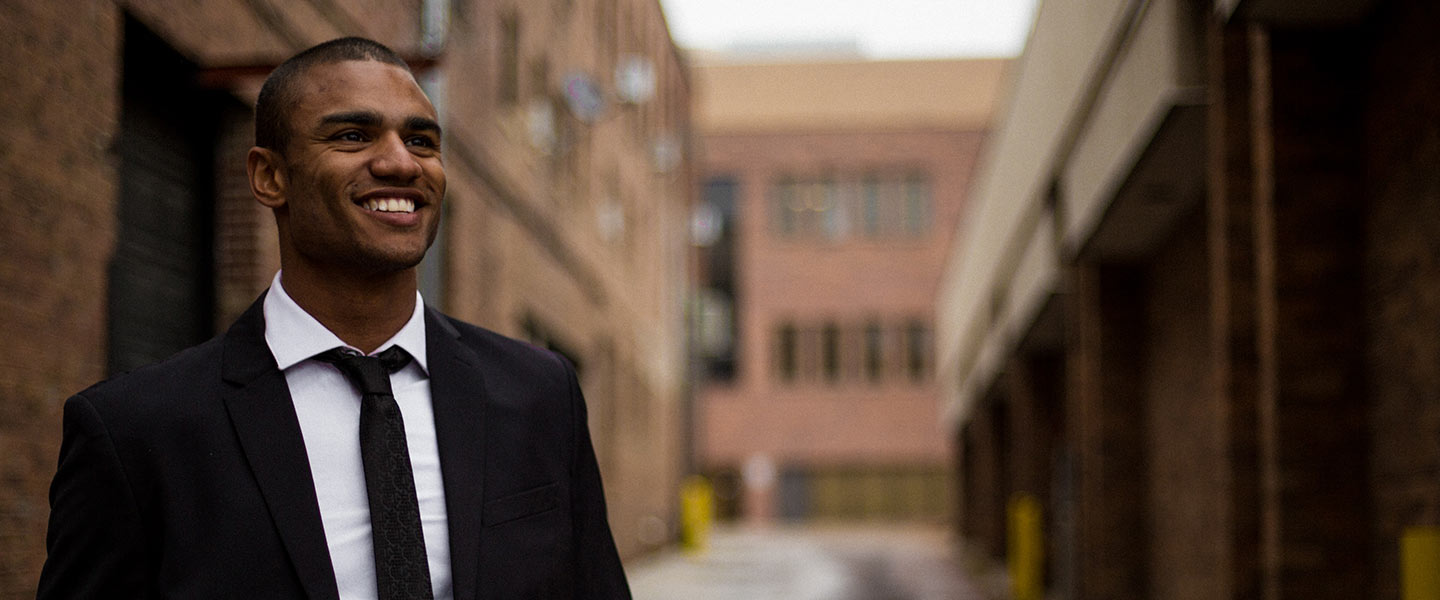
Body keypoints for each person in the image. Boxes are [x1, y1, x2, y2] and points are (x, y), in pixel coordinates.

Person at [37, 37, 631, 600]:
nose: (402, 163)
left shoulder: (539, 395)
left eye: (422, 141)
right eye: (353, 135)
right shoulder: (136, 430)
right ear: (270, 177)